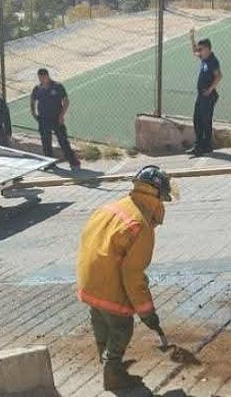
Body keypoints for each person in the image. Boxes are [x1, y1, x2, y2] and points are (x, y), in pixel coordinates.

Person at [75, 165, 176, 390]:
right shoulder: (141, 224)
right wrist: (148, 313)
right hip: (109, 284)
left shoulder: (113, 207)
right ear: (157, 194)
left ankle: (106, 360)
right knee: (121, 328)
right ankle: (112, 374)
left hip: (88, 280)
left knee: (101, 322)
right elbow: (133, 275)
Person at [30, 68, 80, 170]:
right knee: (46, 142)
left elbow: (66, 101)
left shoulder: (57, 86)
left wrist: (61, 115)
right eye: (39, 77)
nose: (41, 79)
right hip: (43, 119)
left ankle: (74, 163)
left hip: (56, 118)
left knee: (63, 141)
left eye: (43, 77)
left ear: (47, 76)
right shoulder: (37, 89)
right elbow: (32, 101)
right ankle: (50, 163)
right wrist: (34, 114)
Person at [187, 29, 222, 156]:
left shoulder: (213, 60)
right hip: (201, 95)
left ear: (207, 49)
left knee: (205, 120)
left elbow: (219, 76)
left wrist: (210, 89)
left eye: (201, 49)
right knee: (197, 119)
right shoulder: (204, 58)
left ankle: (205, 146)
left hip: (208, 96)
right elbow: (193, 51)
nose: (198, 51)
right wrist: (192, 38)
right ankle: (199, 144)